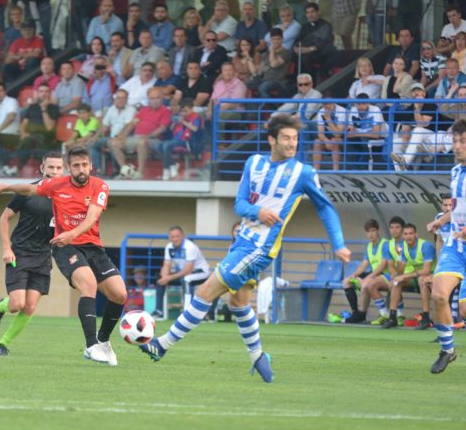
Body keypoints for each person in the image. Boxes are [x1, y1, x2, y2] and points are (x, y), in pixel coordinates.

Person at [138, 114, 350, 383]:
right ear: (272, 139)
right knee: (238, 302)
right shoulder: (254, 163)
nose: (291, 143)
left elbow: (325, 207)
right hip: (242, 241)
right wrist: (257, 210)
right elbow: (239, 204)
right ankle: (258, 356)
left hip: (260, 248)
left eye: (295, 138)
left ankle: (162, 345)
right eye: (286, 137)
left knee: (204, 292)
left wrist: (339, 244)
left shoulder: (303, 173)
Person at [0, 146, 127, 366]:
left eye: (84, 165)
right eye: (76, 165)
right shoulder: (57, 184)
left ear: (91, 166)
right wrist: (7, 186)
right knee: (88, 284)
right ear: (69, 168)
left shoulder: (100, 186)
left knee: (120, 294)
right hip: (65, 247)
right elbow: (29, 190)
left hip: (92, 246)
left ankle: (103, 341)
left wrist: (73, 233)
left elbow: (93, 216)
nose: (81, 169)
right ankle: (90, 345)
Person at [0, 152, 65, 356]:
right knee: (16, 305)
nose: (54, 172)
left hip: (43, 257)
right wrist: (6, 248)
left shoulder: (66, 197)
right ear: (42, 168)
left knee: (29, 307)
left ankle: (2, 344)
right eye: (51, 167)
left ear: (63, 170)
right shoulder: (27, 191)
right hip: (20, 253)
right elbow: (4, 219)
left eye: (58, 168)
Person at [426, 119, 466, 373]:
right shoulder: (455, 172)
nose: (457, 146)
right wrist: (440, 221)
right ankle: (447, 351)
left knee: (464, 308)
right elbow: (457, 209)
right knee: (439, 294)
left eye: (462, 141)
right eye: (455, 141)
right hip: (455, 245)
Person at [380, 223, 436, 329]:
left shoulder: (425, 246)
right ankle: (393, 317)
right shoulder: (403, 247)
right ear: (403, 236)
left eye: (411, 233)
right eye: (405, 234)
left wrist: (405, 276)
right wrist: (400, 256)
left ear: (416, 234)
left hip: (434, 275)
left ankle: (426, 318)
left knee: (421, 279)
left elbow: (426, 270)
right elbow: (400, 271)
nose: (408, 236)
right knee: (396, 281)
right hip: (417, 275)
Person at [154, 225, 211, 319]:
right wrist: (164, 277)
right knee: (160, 279)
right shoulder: (169, 246)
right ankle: (159, 311)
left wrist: (168, 278)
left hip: (201, 272)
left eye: (177, 236)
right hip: (183, 273)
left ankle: (187, 312)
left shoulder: (190, 246)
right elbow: (166, 264)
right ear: (169, 237)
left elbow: (188, 270)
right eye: (173, 236)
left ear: (183, 236)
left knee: (186, 279)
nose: (175, 239)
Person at [341, 219, 387, 321]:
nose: (371, 234)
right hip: (374, 273)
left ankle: (362, 313)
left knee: (365, 283)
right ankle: (355, 313)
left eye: (373, 230)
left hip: (384, 274)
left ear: (378, 230)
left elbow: (383, 266)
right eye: (368, 231)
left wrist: (368, 278)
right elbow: (364, 264)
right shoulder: (369, 246)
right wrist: (355, 274)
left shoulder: (385, 244)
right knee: (346, 282)